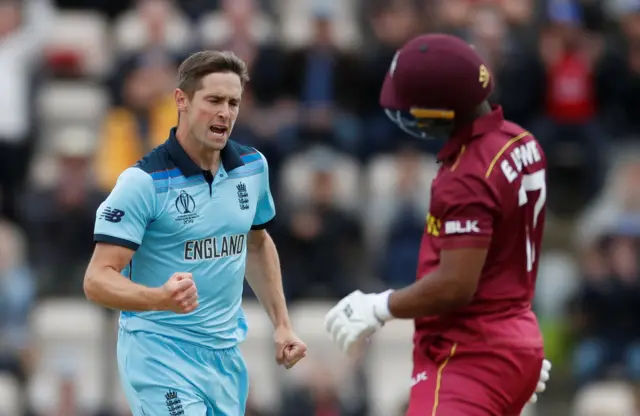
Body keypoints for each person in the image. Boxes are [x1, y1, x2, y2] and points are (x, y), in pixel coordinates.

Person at [325, 34, 552, 415]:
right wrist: (516, 347)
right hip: (507, 341)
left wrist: (379, 307)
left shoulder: (466, 176)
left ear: (442, 112)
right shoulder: (520, 141)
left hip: (469, 355)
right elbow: (505, 254)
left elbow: (456, 285)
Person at [84, 50, 307, 416]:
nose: (226, 112)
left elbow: (256, 244)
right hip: (158, 353)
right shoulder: (142, 183)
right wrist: (160, 298)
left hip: (224, 357)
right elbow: (96, 280)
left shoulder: (252, 168)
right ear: (181, 100)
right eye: (214, 100)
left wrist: (282, 324)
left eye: (233, 102)